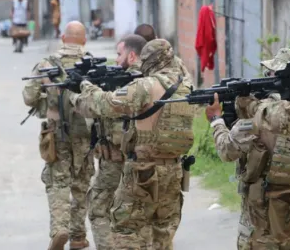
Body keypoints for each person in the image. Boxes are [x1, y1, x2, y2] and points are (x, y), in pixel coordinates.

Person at [68, 39, 196, 249]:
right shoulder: (186, 86)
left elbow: (104, 104)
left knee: (127, 231)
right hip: (174, 171)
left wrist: (84, 84)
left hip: (143, 171)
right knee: (162, 233)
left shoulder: (145, 86)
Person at [205, 48, 290, 249]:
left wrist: (216, 121)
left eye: (271, 74)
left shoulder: (260, 118)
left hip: (263, 226)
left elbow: (226, 150)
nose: (267, 78)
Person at [22, 21, 94, 250]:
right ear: (84, 40)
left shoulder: (47, 64)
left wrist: (47, 94)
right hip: (84, 134)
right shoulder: (92, 64)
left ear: (63, 38)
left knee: (57, 183)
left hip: (55, 134)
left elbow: (29, 97)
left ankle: (59, 228)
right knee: (81, 184)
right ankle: (78, 236)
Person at [86, 34, 146, 249]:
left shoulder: (125, 83)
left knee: (99, 208)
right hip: (146, 158)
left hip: (115, 158)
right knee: (139, 212)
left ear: (131, 55)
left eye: (119, 54)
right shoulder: (154, 79)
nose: (116, 59)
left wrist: (84, 90)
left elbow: (101, 107)